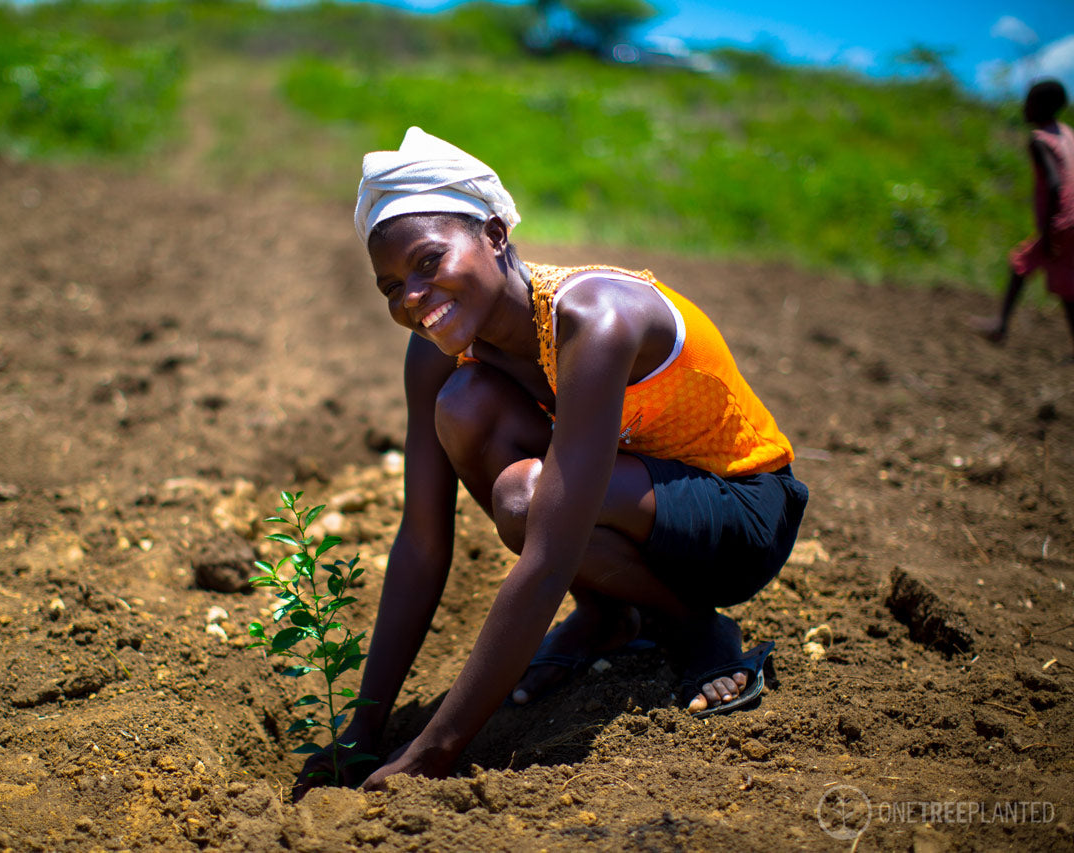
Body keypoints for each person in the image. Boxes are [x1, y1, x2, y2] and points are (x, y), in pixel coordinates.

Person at [296, 127, 808, 797]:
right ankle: (608, 615)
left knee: (530, 500)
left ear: (495, 234)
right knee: (468, 406)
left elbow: (547, 550)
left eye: (428, 261)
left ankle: (696, 628)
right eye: (391, 286)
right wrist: (363, 733)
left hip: (740, 511)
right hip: (631, 500)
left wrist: (434, 752)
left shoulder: (597, 319)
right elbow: (422, 541)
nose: (412, 297)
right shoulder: (436, 352)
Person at [970, 78, 1074, 358]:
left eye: (1029, 102)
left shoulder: (1039, 139)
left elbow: (1053, 184)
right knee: (1062, 283)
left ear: (1041, 106)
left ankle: (1000, 325)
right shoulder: (1067, 134)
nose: (1024, 108)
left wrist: (1051, 232)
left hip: (1064, 223)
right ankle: (1001, 324)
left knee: (1024, 264)